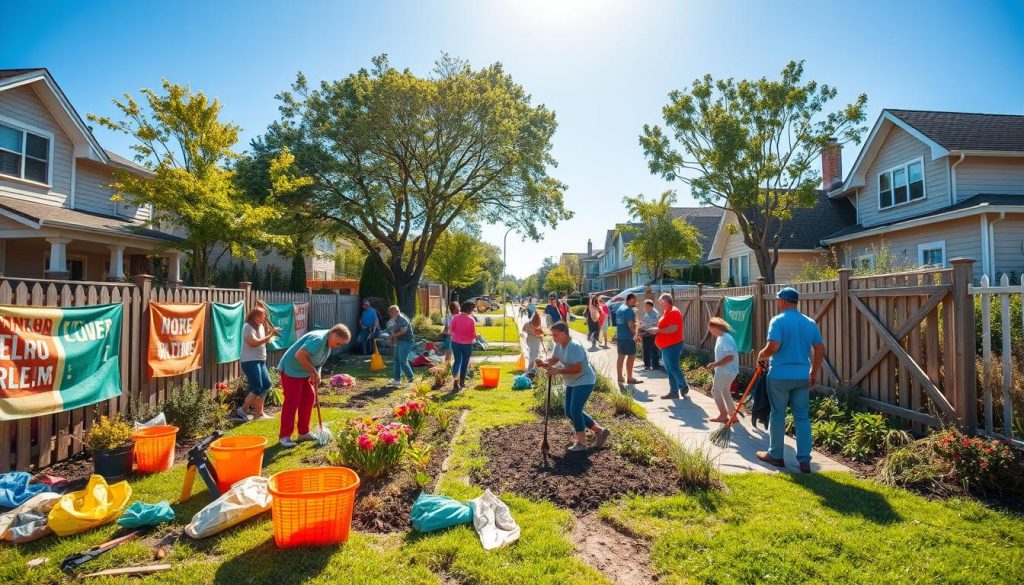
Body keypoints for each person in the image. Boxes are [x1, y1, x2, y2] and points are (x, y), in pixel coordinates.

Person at [755, 287, 825, 474]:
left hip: (779, 377)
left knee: (778, 414)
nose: (777, 303)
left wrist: (762, 355)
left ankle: (776, 456)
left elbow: (773, 346)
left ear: (784, 301)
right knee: (802, 417)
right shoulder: (810, 323)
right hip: (802, 377)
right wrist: (813, 372)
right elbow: (819, 349)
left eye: (778, 300)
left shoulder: (778, 321)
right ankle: (804, 461)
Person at [536, 322, 610, 452]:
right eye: (553, 336)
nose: (554, 338)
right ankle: (600, 431)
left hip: (584, 380)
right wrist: (544, 362)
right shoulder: (558, 345)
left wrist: (557, 371)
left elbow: (578, 368)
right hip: (572, 381)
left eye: (556, 335)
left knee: (575, 410)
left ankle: (581, 443)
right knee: (569, 412)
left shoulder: (574, 346)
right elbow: (554, 359)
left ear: (564, 334)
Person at [276, 324, 351, 448]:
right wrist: (313, 372)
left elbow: (318, 363)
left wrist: (317, 374)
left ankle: (303, 433)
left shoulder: (328, 346)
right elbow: (299, 355)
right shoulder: (318, 339)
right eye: (338, 343)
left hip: (303, 372)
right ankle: (285, 436)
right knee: (292, 401)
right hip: (291, 369)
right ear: (334, 334)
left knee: (309, 398)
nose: (338, 347)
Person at [236, 307, 278, 421]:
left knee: (266, 384)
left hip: (261, 360)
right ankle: (242, 411)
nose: (261, 319)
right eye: (258, 317)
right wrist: (269, 336)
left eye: (263, 317)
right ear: (252, 316)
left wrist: (271, 333)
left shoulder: (260, 326)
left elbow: (266, 341)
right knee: (257, 387)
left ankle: (258, 413)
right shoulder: (247, 327)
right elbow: (253, 343)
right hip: (249, 361)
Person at [653, 293, 689, 400]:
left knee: (673, 366)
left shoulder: (674, 312)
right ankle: (674, 391)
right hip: (667, 345)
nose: (660, 305)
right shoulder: (667, 311)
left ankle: (682, 386)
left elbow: (673, 328)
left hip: (673, 344)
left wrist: (658, 330)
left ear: (668, 301)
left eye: (661, 303)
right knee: (669, 368)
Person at [706, 317, 739, 423]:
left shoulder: (725, 338)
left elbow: (730, 357)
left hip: (725, 371)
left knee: (715, 391)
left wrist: (715, 364)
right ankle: (733, 416)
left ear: (716, 327)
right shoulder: (722, 337)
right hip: (728, 371)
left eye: (710, 328)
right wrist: (716, 365)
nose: (709, 331)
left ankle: (723, 415)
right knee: (725, 392)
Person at [615, 293, 643, 387]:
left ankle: (619, 377)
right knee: (631, 356)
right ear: (629, 300)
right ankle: (630, 378)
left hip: (620, 336)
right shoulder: (628, 310)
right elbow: (630, 325)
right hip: (628, 337)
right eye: (634, 301)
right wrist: (636, 334)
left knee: (621, 357)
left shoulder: (620, 309)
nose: (635, 303)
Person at [449, 301, 477, 391]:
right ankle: (462, 383)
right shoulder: (471, 320)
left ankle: (455, 381)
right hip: (467, 345)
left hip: (455, 343)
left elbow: (450, 331)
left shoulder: (455, 317)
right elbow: (472, 334)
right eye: (473, 309)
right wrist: (477, 336)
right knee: (464, 363)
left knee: (457, 361)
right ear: (470, 310)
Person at [387, 305, 416, 387]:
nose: (391, 315)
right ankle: (397, 380)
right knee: (396, 360)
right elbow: (395, 331)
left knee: (403, 361)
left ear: (396, 311)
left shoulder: (402, 319)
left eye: (392, 313)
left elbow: (403, 331)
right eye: (390, 314)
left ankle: (411, 380)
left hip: (407, 342)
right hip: (400, 341)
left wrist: (393, 336)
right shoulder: (396, 319)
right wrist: (392, 339)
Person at [639, 299, 661, 370]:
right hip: (646, 334)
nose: (643, 307)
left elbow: (656, 323)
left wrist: (645, 325)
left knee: (654, 349)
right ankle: (647, 365)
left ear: (649, 305)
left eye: (644, 305)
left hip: (653, 334)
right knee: (646, 349)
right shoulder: (647, 313)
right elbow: (645, 322)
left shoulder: (656, 314)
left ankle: (655, 365)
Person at [522, 311, 544, 376]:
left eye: (537, 326)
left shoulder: (540, 325)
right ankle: (530, 369)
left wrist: (540, 336)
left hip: (537, 339)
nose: (536, 327)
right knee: (532, 353)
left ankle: (534, 368)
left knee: (536, 353)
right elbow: (523, 331)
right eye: (535, 326)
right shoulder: (527, 324)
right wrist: (524, 335)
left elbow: (542, 333)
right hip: (530, 339)